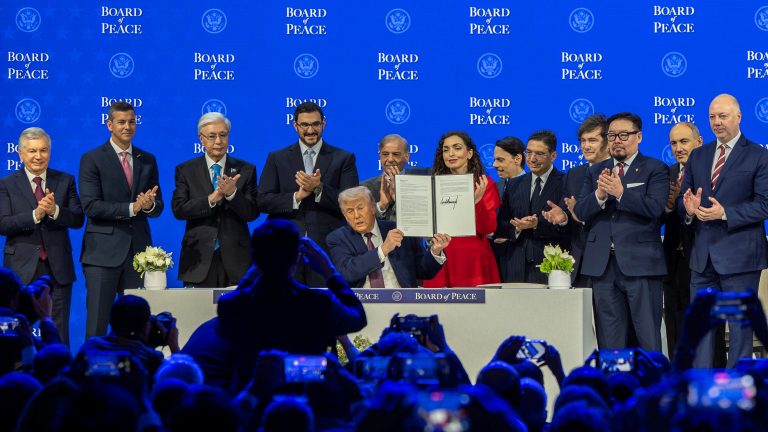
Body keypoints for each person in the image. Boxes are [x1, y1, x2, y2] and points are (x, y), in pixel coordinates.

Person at [216, 219, 366, 390]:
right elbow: (358, 318)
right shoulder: (317, 303)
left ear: (254, 257)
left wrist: (258, 265)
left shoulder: (232, 305)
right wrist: (329, 270)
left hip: (252, 406)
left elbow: (236, 300)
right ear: (297, 257)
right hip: (304, 401)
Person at [679, 93, 768, 368]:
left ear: (738, 117)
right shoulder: (698, 155)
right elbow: (685, 201)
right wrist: (689, 210)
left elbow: (764, 204)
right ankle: (703, 392)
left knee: (740, 331)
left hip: (740, 259)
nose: (717, 122)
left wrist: (725, 213)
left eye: (723, 116)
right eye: (712, 117)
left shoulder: (758, 155)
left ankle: (737, 393)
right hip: (702, 259)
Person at [574, 112, 668, 351]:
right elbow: (582, 211)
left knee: (647, 339)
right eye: (612, 135)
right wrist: (600, 195)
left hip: (641, 266)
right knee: (610, 341)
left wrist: (621, 193)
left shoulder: (655, 169)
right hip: (603, 268)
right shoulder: (596, 171)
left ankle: (652, 387)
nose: (617, 140)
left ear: (639, 137)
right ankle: (615, 387)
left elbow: (655, 208)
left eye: (623, 135)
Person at [79, 101, 163, 338]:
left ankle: (136, 371)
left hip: (138, 254)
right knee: (97, 325)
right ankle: (92, 373)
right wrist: (131, 207)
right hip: (102, 256)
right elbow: (91, 206)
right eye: (122, 122)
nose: (128, 126)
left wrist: (147, 206)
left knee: (137, 327)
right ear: (109, 125)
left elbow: (159, 206)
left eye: (132, 122)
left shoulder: (147, 159)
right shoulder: (92, 159)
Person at [258, 101, 359, 287]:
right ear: (295, 125)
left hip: (328, 250)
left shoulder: (344, 158)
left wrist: (319, 188)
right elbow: (263, 201)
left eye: (315, 124)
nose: (310, 130)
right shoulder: (277, 158)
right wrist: (296, 197)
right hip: (286, 250)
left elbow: (351, 204)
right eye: (304, 125)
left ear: (324, 123)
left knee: (324, 310)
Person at [0, 127, 84, 345]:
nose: (38, 156)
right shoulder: (6, 184)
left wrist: (55, 210)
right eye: (32, 151)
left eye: (43, 150)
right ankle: (15, 374)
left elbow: (77, 219)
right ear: (20, 153)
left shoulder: (65, 181)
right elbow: (2, 224)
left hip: (58, 267)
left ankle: (58, 373)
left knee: (59, 333)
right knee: (14, 331)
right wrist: (35, 215)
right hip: (20, 269)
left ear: (50, 152)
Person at [171, 112, 259, 287]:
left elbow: (252, 213)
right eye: (212, 136)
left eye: (223, 135)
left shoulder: (246, 169)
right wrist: (211, 199)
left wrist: (233, 194)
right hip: (198, 258)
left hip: (237, 260)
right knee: (198, 314)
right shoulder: (186, 170)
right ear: (201, 139)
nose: (218, 141)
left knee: (238, 314)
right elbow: (179, 209)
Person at [326, 186, 449, 288]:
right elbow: (347, 272)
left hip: (403, 302)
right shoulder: (337, 238)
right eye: (350, 211)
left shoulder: (399, 231)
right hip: (363, 305)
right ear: (345, 215)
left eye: (360, 208)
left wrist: (435, 250)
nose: (356, 215)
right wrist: (383, 249)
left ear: (373, 208)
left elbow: (424, 271)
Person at [422, 131, 500, 287]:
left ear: (469, 153)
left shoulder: (484, 183)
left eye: (457, 148)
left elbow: (488, 228)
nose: (451, 153)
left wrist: (477, 202)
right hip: (441, 256)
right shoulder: (432, 185)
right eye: (446, 149)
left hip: (473, 261)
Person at [544, 115, 610, 287]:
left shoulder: (618, 172)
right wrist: (563, 219)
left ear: (608, 141)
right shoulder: (573, 175)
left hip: (609, 263)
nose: (586, 146)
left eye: (593, 140)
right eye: (583, 140)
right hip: (579, 261)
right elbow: (567, 217)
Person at [496, 130, 566, 284]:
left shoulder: (565, 182)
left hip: (550, 267)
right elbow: (500, 225)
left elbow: (568, 227)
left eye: (539, 154)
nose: (532, 159)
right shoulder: (514, 184)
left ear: (553, 156)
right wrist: (517, 227)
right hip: (515, 267)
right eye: (528, 152)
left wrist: (536, 225)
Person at [662, 122, 702, 360]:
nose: (678, 148)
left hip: (700, 259)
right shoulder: (665, 174)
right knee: (674, 326)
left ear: (698, 142)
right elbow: (657, 217)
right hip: (671, 261)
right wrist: (668, 205)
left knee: (703, 327)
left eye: (684, 141)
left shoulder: (710, 173)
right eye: (674, 143)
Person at [74, 294, 179, 378]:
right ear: (146, 326)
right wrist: (174, 345)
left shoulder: (91, 346)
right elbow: (181, 380)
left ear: (111, 321)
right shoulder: (150, 358)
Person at [489, 136, 526, 281]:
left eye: (500, 160)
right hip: (494, 262)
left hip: (522, 263)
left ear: (517, 158)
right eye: (495, 159)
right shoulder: (494, 187)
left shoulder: (534, 186)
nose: (494, 164)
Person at [360, 134, 418, 221]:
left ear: (407, 157)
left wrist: (398, 198)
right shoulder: (365, 188)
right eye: (385, 154)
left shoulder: (419, 185)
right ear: (380, 156)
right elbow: (361, 223)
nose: (390, 159)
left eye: (396, 154)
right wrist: (381, 205)